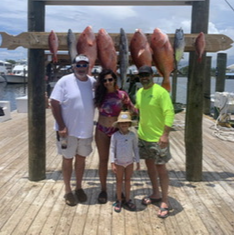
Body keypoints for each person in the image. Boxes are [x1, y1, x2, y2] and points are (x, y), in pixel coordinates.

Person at [50, 55, 96, 206]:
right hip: (67, 131)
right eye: (79, 65)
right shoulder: (64, 81)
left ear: (88, 66)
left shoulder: (93, 82)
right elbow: (54, 102)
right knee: (67, 159)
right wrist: (61, 125)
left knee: (81, 159)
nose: (81, 68)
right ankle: (68, 190)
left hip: (86, 131)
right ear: (73, 66)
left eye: (84, 65)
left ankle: (79, 187)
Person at [135, 65, 175, 219]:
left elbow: (169, 112)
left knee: (161, 169)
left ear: (153, 76)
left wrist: (165, 134)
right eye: (141, 75)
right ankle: (156, 194)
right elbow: (137, 109)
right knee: (150, 166)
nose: (144, 78)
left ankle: (165, 201)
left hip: (158, 139)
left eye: (147, 75)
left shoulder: (161, 92)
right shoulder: (139, 92)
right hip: (143, 137)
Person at [94, 69, 137, 204]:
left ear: (115, 80)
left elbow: (132, 109)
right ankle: (103, 189)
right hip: (101, 130)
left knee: (120, 162)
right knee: (103, 160)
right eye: (105, 80)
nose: (107, 82)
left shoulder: (122, 95)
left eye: (110, 79)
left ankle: (121, 191)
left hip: (117, 132)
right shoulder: (99, 95)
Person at [110, 111, 140, 213]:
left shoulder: (132, 135)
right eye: (122, 123)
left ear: (130, 124)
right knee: (119, 181)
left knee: (128, 180)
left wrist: (138, 161)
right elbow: (112, 149)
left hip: (129, 162)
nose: (124, 124)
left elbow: (135, 148)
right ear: (118, 124)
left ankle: (127, 199)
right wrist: (112, 163)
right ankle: (119, 199)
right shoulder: (115, 136)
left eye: (126, 122)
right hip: (119, 162)